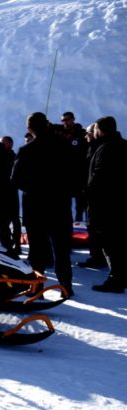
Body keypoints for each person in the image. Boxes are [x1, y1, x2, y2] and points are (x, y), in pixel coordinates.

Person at [11, 112, 74, 296]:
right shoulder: (64, 146)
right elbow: (74, 173)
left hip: (36, 207)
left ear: (29, 129)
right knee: (61, 250)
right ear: (47, 124)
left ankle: (37, 288)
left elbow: (15, 180)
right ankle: (66, 287)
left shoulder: (26, 150)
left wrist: (33, 189)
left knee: (37, 252)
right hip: (60, 205)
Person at [87, 116, 127, 293]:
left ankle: (116, 280)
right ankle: (121, 276)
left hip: (106, 205)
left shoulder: (104, 149)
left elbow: (99, 177)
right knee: (120, 241)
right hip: (122, 203)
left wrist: (87, 193)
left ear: (100, 130)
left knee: (110, 244)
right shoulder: (124, 145)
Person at [78, 123, 107, 269]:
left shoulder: (99, 149)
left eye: (89, 132)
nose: (86, 135)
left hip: (97, 197)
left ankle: (99, 258)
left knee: (97, 229)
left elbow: (97, 175)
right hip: (96, 195)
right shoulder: (92, 147)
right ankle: (97, 256)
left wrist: (86, 191)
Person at [53, 111, 88, 222]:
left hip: (78, 172)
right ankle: (65, 223)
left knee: (80, 203)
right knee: (63, 202)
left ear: (73, 119)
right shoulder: (58, 132)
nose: (65, 122)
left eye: (68, 119)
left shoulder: (81, 133)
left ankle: (80, 222)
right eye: (63, 120)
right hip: (63, 174)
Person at [1, 135, 23, 255]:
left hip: (11, 193)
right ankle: (10, 244)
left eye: (3, 143)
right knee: (5, 221)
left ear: (10, 144)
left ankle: (17, 245)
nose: (1, 145)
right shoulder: (0, 156)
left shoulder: (14, 157)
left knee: (14, 220)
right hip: (3, 193)